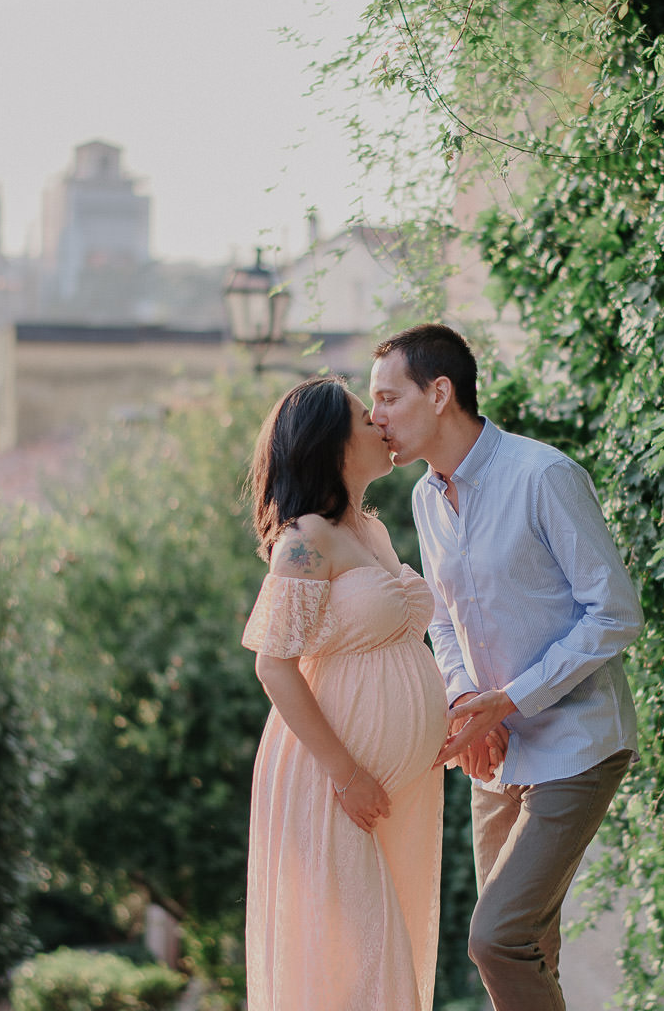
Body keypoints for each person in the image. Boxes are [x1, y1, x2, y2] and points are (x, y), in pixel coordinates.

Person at [369, 324, 643, 1011]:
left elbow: (614, 613)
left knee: (497, 939)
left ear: (439, 393)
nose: (375, 418)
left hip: (577, 743)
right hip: (492, 752)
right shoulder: (425, 498)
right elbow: (442, 618)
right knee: (528, 950)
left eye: (388, 398)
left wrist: (511, 699)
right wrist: (468, 699)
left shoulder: (542, 476)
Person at [240, 375, 451, 1011]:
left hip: (391, 791)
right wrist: (347, 775)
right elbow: (275, 666)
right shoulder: (306, 540)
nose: (380, 423)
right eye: (365, 416)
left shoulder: (370, 530)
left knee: (380, 962)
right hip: (332, 784)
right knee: (360, 973)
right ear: (331, 444)